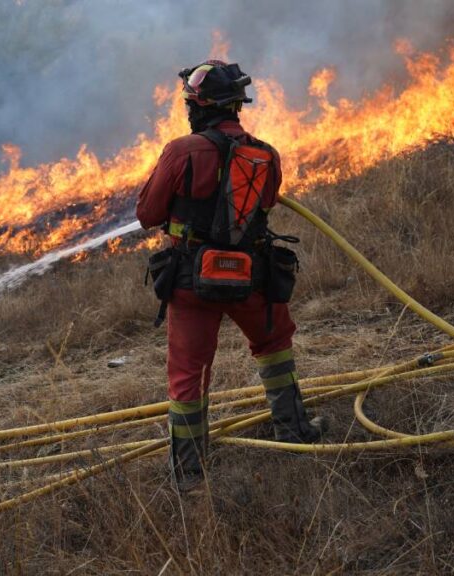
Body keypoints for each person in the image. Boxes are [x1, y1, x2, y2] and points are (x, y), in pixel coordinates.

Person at [136, 60, 325, 493]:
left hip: (191, 281)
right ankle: (293, 430)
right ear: (236, 106)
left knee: (188, 371)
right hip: (250, 278)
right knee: (274, 345)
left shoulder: (181, 152)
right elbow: (267, 203)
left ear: (198, 107)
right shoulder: (265, 154)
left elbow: (147, 213)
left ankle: (189, 472)